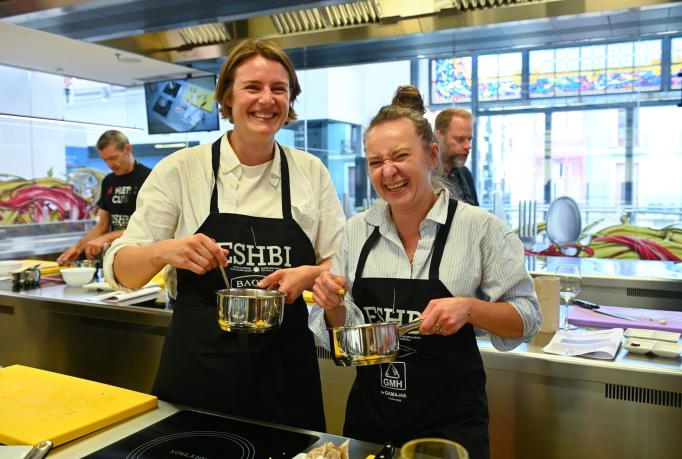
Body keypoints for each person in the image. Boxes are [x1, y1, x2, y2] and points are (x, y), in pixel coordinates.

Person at [103, 38, 345, 432]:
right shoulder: (181, 169)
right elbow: (122, 270)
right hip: (199, 374)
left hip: (286, 376)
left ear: (290, 99)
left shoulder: (310, 172)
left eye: (278, 89)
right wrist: (167, 251)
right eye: (253, 87)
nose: (266, 99)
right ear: (227, 97)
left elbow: (340, 261)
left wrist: (308, 274)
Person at [309, 86, 540, 458]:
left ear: (431, 155)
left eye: (400, 156)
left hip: (449, 432)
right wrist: (332, 305)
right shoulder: (355, 232)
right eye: (375, 161)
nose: (388, 171)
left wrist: (469, 308)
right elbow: (346, 341)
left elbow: (527, 319)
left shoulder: (482, 229)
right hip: (370, 422)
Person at [57, 130, 151, 264]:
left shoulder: (149, 178)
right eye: (105, 160)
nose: (110, 165)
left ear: (127, 149)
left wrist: (106, 238)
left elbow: (146, 227)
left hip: (142, 255)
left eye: (113, 158)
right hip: (116, 255)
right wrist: (78, 247)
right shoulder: (108, 181)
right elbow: (102, 225)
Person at [434, 108, 479, 206]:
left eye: (469, 139)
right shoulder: (425, 176)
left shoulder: (465, 174)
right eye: (460, 139)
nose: (468, 146)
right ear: (438, 136)